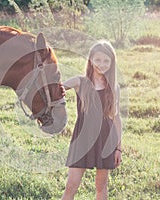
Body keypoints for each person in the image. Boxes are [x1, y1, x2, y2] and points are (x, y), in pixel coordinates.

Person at [61, 40, 122, 200]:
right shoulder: (79, 82)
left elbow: (116, 118)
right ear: (90, 60)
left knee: (101, 186)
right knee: (71, 185)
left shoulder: (113, 87)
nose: (101, 64)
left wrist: (118, 148)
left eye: (106, 61)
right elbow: (56, 89)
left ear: (112, 62)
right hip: (82, 138)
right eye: (98, 60)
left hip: (105, 140)